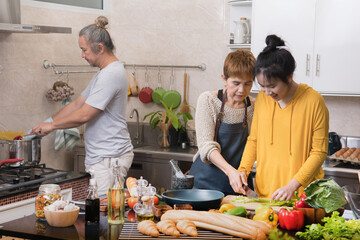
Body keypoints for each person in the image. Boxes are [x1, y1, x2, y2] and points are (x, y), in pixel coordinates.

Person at [31, 16, 133, 196]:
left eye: (84, 50)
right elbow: (78, 103)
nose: (82, 55)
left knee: (103, 211)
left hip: (109, 158)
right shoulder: (104, 73)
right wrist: (47, 122)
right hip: (104, 156)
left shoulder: (111, 74)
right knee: (103, 210)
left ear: (99, 48)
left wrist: (53, 126)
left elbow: (85, 114)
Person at [235, 34, 329, 200]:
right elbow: (254, 140)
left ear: (289, 77)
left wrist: (292, 186)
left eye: (272, 86)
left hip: (303, 196)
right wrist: (243, 169)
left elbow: (319, 152)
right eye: (262, 86)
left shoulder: (313, 101)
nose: (267, 92)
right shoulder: (263, 99)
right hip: (266, 194)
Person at [188, 49, 256, 195]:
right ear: (224, 79)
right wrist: (231, 171)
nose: (241, 90)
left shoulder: (255, 106)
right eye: (236, 83)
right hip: (205, 184)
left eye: (248, 84)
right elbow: (206, 146)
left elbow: (255, 144)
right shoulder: (208, 100)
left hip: (238, 185)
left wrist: (241, 174)